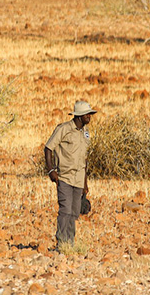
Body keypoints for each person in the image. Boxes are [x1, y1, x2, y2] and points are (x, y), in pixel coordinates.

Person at [44, 100, 96, 248]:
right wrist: (51, 170)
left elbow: (84, 160)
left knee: (74, 212)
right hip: (65, 177)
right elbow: (48, 148)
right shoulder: (64, 129)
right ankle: (62, 243)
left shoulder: (86, 133)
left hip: (79, 179)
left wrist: (85, 184)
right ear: (79, 116)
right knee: (65, 210)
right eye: (87, 114)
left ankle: (70, 243)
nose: (89, 117)